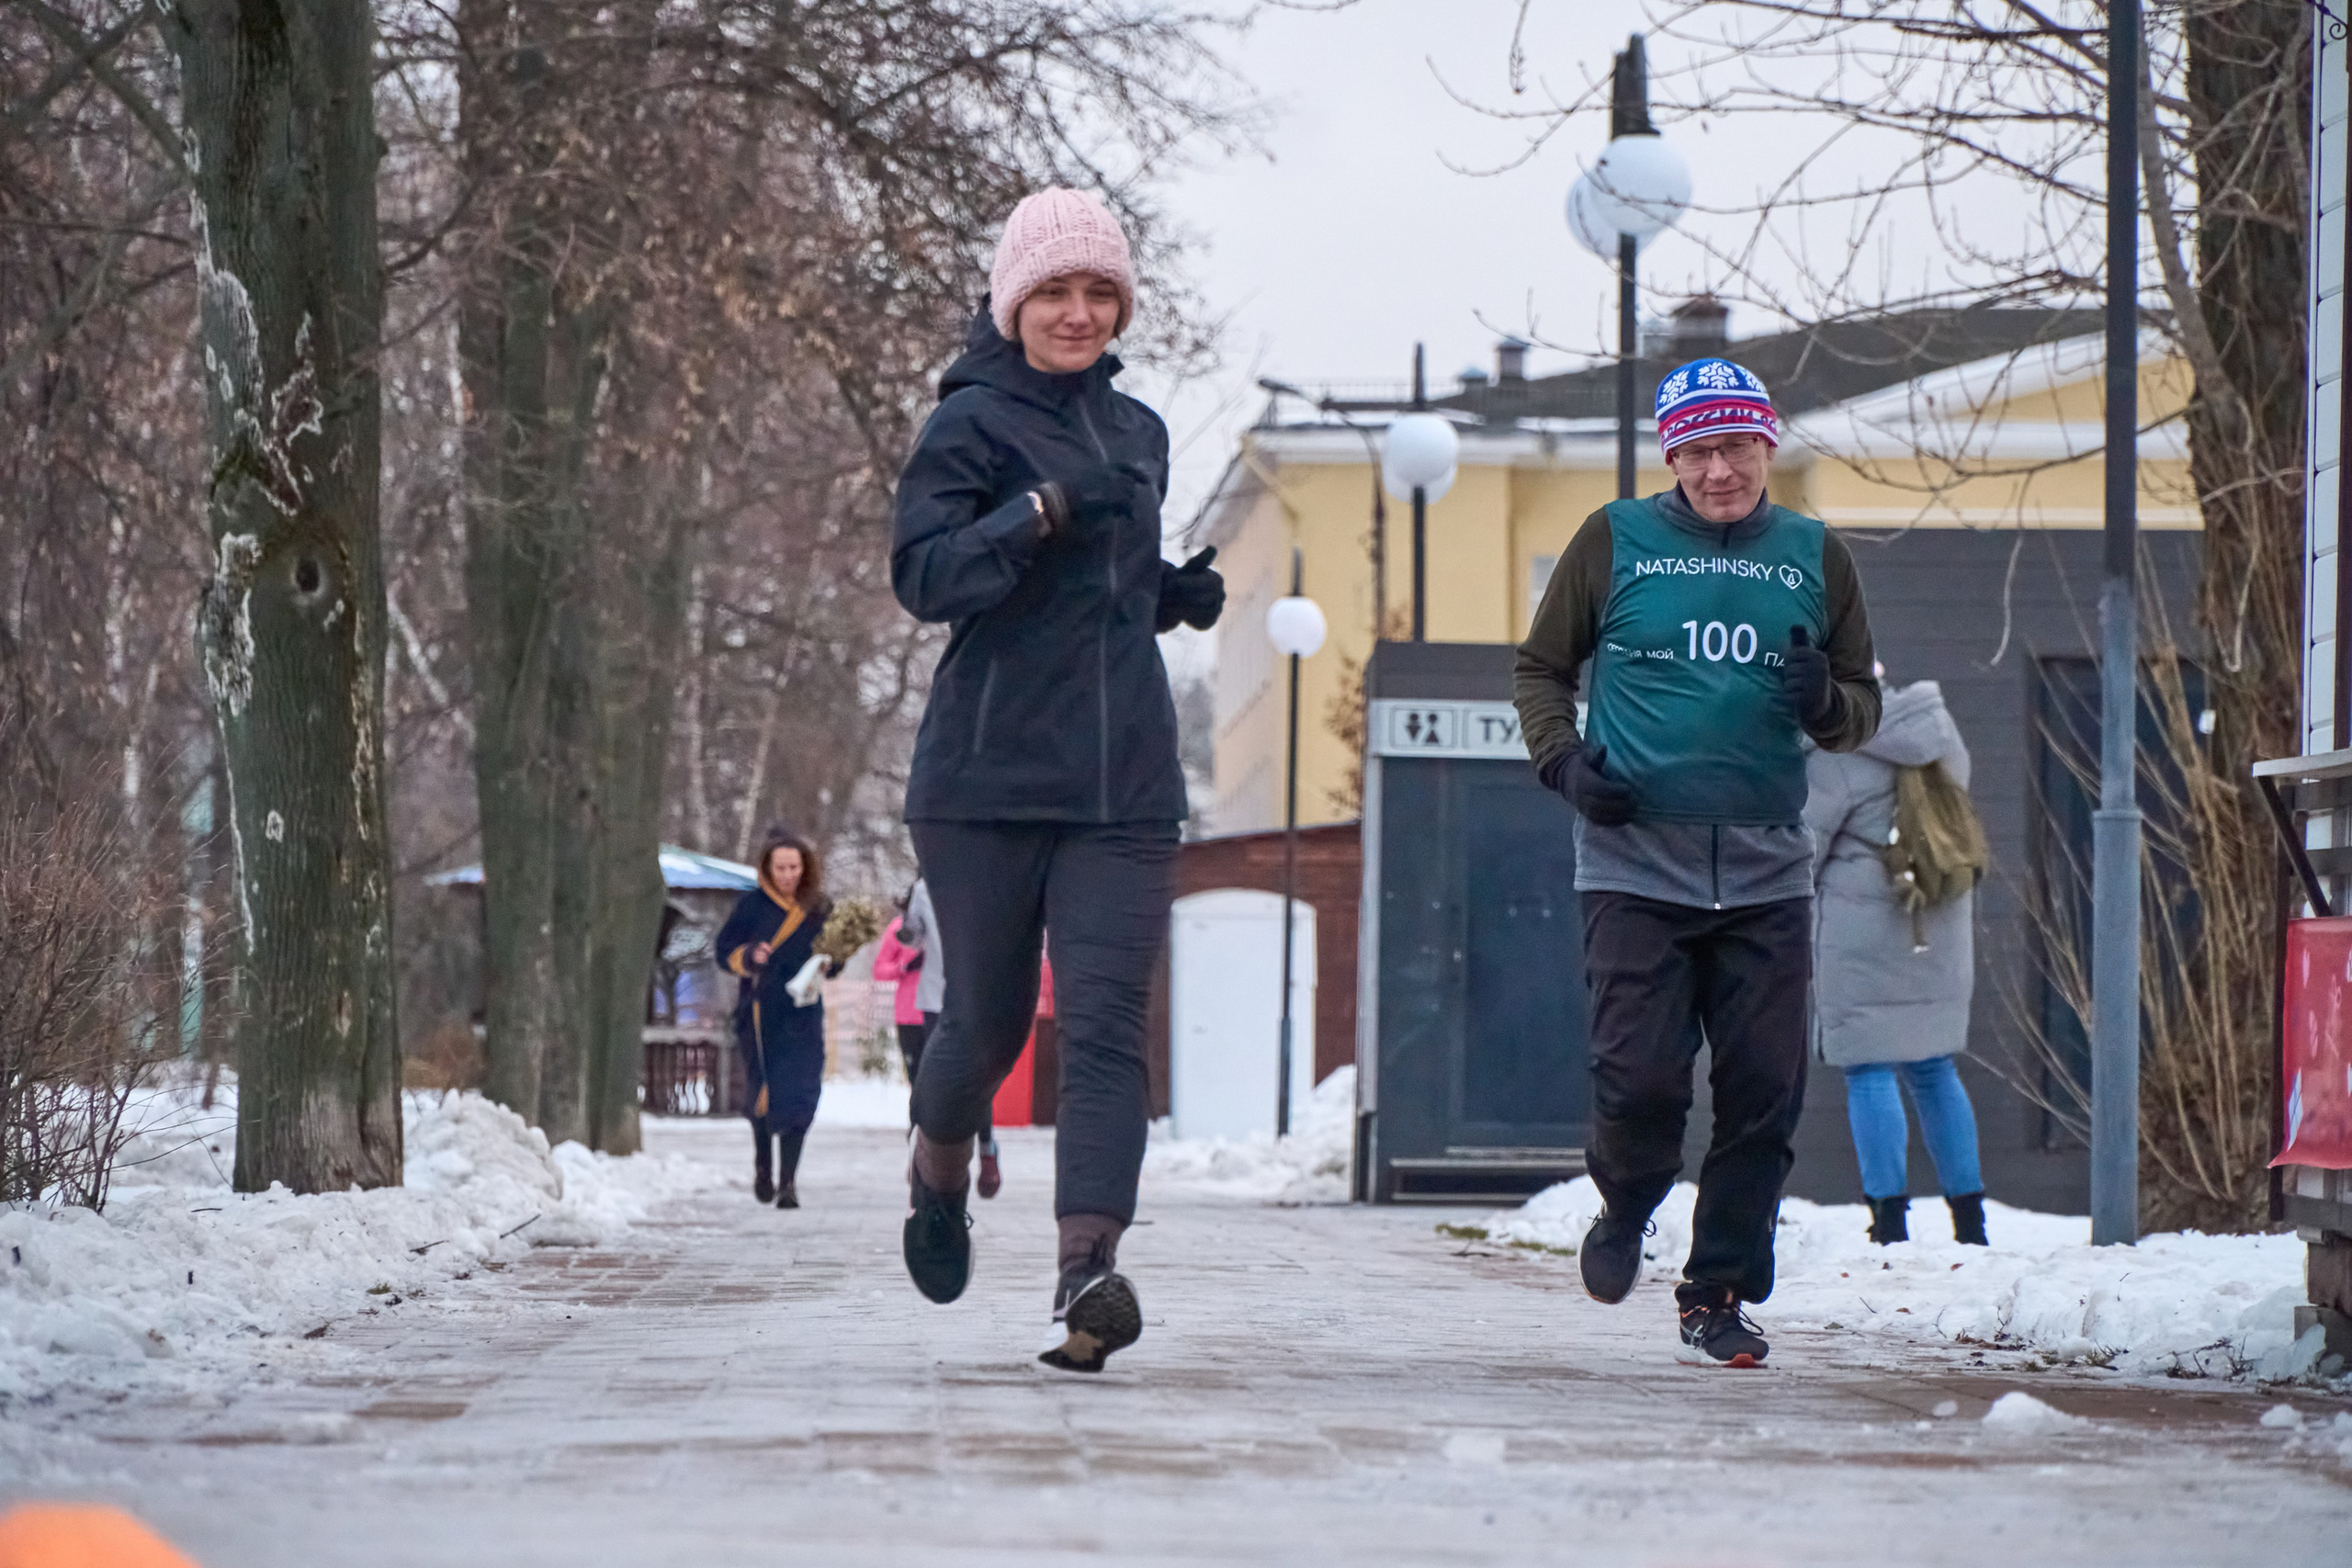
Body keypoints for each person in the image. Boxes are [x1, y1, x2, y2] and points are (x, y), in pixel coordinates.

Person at [888, 186, 1224, 1372]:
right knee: (981, 1020)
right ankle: (938, 1168)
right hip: (984, 775)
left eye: (1099, 292)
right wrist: (1037, 511)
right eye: (1055, 292)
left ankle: (1089, 1269)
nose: (1078, 312)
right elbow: (925, 577)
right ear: (1013, 301)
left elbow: (1107, 587)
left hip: (1123, 777)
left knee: (1103, 1025)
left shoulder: (1139, 430)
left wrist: (1170, 594)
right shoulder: (967, 426)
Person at [1513, 356, 1881, 1367]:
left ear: (1768, 446)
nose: (1722, 470)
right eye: (1701, 451)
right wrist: (1565, 766)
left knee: (1764, 1089)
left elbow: (1861, 707)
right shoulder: (1615, 539)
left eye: (1740, 447)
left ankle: (1716, 1288)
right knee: (1640, 1082)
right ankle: (1626, 1201)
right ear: (1673, 455)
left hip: (1765, 868)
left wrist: (1822, 704)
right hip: (1635, 863)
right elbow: (1540, 668)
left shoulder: (1813, 552)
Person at [1804, 677, 1989, 1247]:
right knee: (1934, 1068)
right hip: (1937, 920)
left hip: (1864, 932)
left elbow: (1801, 848)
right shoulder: (1937, 732)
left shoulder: (1836, 756)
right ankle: (1970, 1221)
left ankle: (1888, 1222)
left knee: (1869, 1069)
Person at [715, 827, 836, 1210]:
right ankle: (763, 1166)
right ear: (768, 869)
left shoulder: (819, 909)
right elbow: (724, 950)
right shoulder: (751, 907)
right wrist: (751, 955)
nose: (788, 876)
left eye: (794, 868)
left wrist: (833, 961)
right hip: (760, 1012)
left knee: (800, 1093)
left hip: (803, 1014)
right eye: (780, 868)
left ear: (806, 868)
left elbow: (835, 957)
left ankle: (789, 1182)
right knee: (765, 1093)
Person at [895, 874, 1000, 1198]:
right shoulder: (925, 886)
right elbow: (913, 939)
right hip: (934, 996)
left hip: (977, 993)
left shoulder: (989, 875)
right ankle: (925, 1152)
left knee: (976, 1078)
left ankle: (986, 1148)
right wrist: (905, 924)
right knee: (932, 1077)